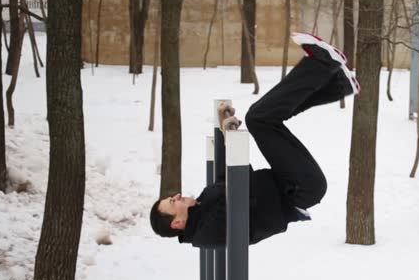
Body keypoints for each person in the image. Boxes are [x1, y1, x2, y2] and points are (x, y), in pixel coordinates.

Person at [149, 33, 360, 248]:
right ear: (177, 223)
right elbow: (238, 190)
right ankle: (324, 65)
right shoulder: (208, 233)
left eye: (171, 197)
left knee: (266, 118)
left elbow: (226, 176)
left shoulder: (202, 206)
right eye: (172, 203)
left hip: (287, 180)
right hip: (299, 189)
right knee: (259, 119)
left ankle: (337, 85)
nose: (175, 196)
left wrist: (224, 132)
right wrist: (230, 135)